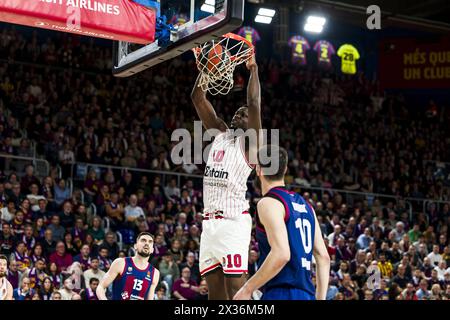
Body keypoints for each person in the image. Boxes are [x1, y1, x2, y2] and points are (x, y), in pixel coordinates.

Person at [191, 54, 262, 300]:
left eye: (242, 115)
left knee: (237, 290)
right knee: (215, 295)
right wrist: (206, 70)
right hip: (209, 224)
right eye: (236, 113)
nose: (237, 116)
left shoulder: (251, 145)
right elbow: (197, 98)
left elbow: (253, 103)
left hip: (233, 222)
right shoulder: (220, 133)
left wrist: (253, 70)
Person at [234, 146, 330, 300]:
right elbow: (323, 257)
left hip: (281, 292)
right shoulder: (307, 206)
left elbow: (282, 254)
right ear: (284, 170)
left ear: (258, 170)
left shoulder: (268, 202)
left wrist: (247, 289)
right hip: (306, 294)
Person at [96, 232, 159, 300]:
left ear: (152, 250)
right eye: (143, 240)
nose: (146, 243)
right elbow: (100, 287)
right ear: (135, 246)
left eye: (150, 242)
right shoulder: (121, 263)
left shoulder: (155, 273)